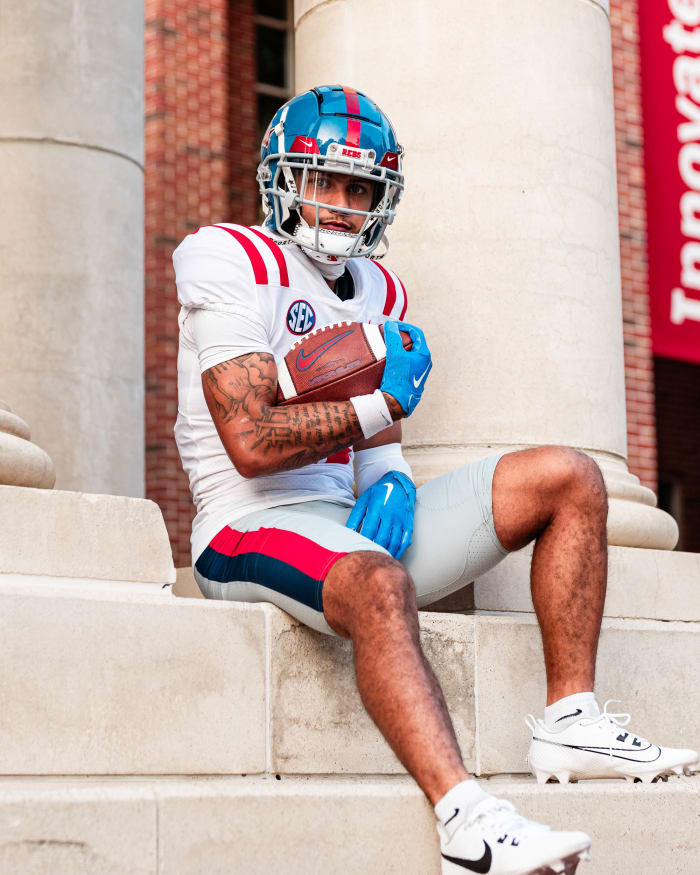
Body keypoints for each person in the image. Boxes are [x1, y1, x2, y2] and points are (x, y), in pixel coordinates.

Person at [173, 85, 698, 875]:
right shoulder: (227, 256)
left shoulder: (383, 290)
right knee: (381, 582)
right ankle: (468, 824)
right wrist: (379, 405)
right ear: (283, 176)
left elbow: (382, 439)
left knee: (570, 476)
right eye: (325, 180)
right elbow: (249, 440)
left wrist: (389, 476)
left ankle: (570, 717)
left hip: (345, 523)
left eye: (360, 188)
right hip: (244, 525)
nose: (343, 205)